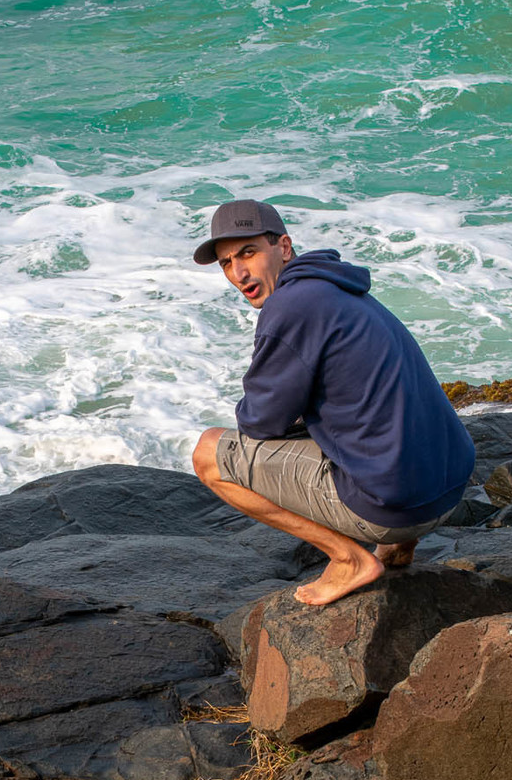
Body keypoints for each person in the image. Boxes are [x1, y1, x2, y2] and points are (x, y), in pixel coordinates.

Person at [191, 198, 476, 606]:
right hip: (448, 489)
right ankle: (400, 547)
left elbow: (260, 421)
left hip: (393, 508)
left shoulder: (290, 306)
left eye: (248, 253)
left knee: (208, 454)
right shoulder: (339, 287)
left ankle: (349, 559)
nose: (238, 273)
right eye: (226, 262)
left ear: (284, 247)